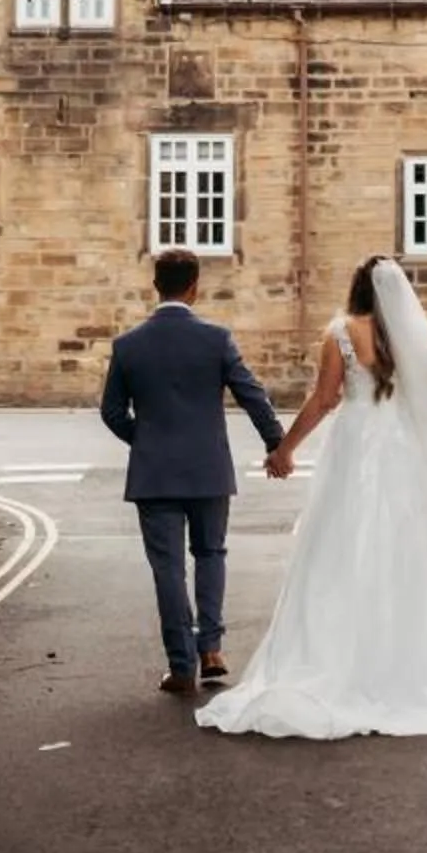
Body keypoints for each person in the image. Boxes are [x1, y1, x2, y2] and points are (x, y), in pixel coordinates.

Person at [195, 254, 427, 738]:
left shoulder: (340, 333)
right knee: (421, 548)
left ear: (356, 288)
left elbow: (324, 400)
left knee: (344, 545)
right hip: (404, 446)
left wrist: (285, 449)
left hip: (356, 446)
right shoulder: (411, 336)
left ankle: (345, 657)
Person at [99, 248, 288, 696]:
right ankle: (212, 650)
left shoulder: (128, 345)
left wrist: (145, 440)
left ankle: (181, 666)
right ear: (195, 288)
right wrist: (276, 443)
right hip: (208, 469)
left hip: (154, 474)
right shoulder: (216, 339)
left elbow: (111, 412)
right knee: (211, 554)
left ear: (155, 286)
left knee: (168, 569)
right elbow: (251, 394)